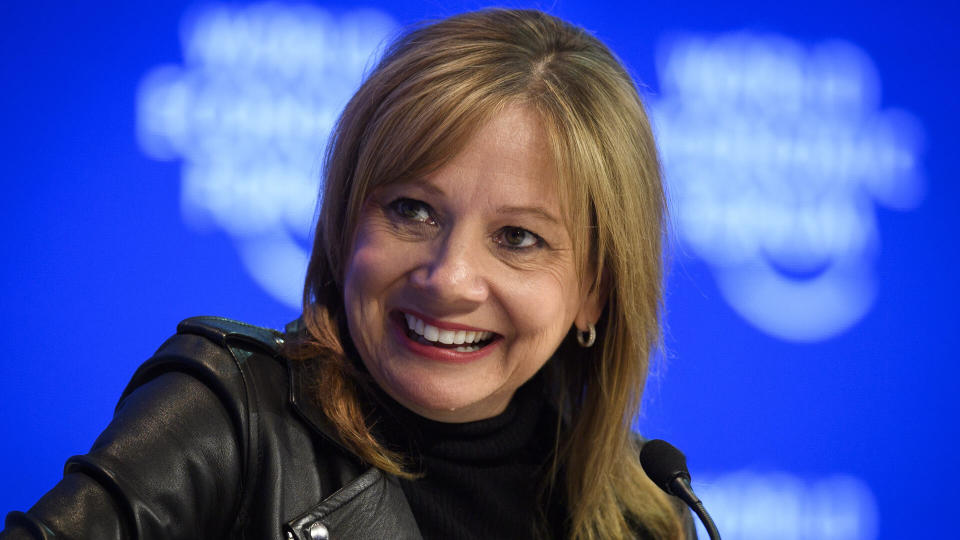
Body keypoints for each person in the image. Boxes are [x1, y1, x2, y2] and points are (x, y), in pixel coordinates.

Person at [1, 8, 695, 540]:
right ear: (344, 224)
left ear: (596, 289)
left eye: (518, 237)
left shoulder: (650, 510)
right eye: (413, 210)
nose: (450, 278)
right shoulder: (226, 419)